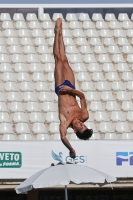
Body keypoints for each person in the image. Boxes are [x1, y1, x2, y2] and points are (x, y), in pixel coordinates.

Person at [53, 18, 93, 159]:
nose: (82, 123)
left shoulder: (65, 121)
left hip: (60, 88)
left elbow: (63, 137)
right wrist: (70, 90)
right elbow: (82, 96)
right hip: (70, 87)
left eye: (81, 127)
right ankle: (60, 33)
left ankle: (56, 34)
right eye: (84, 125)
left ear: (75, 131)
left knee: (58, 59)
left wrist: (71, 149)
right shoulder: (84, 115)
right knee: (65, 59)